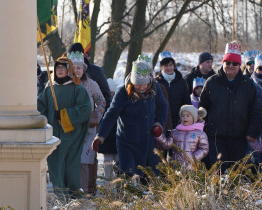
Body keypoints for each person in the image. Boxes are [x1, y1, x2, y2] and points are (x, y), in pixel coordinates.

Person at [94, 56, 167, 178]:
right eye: (138, 85)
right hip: (126, 141)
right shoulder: (122, 92)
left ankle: (148, 195)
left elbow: (163, 107)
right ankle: (127, 196)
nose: (142, 87)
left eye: (145, 85)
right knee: (128, 174)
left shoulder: (154, 88)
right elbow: (111, 115)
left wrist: (159, 123)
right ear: (132, 82)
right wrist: (100, 136)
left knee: (150, 174)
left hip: (148, 138)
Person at [199, 41, 262, 170]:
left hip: (239, 137)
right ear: (223, 63)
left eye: (234, 63)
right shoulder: (212, 82)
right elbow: (203, 107)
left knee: (237, 174)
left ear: (239, 65)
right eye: (228, 63)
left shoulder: (248, 84)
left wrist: (252, 132)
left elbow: (255, 110)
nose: (231, 66)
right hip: (216, 137)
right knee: (217, 172)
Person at [38, 55, 92, 193]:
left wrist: (64, 115)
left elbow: (85, 109)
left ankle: (74, 195)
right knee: (56, 166)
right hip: (54, 134)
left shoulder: (78, 89)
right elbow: (40, 107)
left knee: (70, 166)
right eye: (57, 68)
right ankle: (60, 196)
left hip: (72, 136)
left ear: (70, 70)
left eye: (63, 67)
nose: (60, 70)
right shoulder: (49, 90)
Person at [69, 51, 106, 194]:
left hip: (88, 130)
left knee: (84, 161)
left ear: (84, 69)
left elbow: (102, 101)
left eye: (79, 68)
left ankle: (84, 191)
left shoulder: (92, 84)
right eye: (73, 67)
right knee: (71, 160)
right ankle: (71, 191)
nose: (76, 70)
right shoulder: (64, 84)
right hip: (69, 129)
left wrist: (96, 116)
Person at [155, 104, 209, 170]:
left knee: (190, 180)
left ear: (194, 118)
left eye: (188, 116)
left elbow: (204, 148)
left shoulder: (200, 133)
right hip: (176, 166)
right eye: (182, 116)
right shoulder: (175, 132)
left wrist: (194, 158)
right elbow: (168, 145)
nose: (185, 117)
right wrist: (159, 135)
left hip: (192, 166)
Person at [155, 51, 189, 130]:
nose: (169, 68)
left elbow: (186, 101)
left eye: (171, 65)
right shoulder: (156, 83)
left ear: (174, 65)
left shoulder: (182, 81)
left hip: (179, 122)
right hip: (162, 122)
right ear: (161, 67)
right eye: (166, 65)